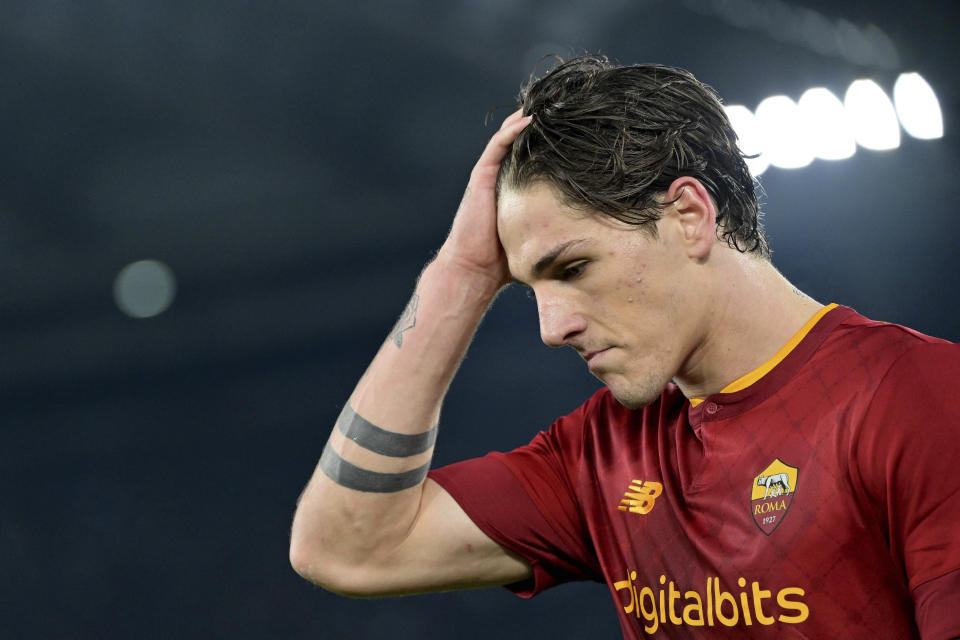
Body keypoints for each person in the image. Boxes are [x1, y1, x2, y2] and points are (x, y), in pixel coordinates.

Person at [289, 55, 960, 639]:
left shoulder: (920, 399)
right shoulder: (601, 456)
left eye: (573, 268)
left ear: (690, 217)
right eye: (528, 288)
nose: (552, 328)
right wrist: (460, 279)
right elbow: (346, 548)